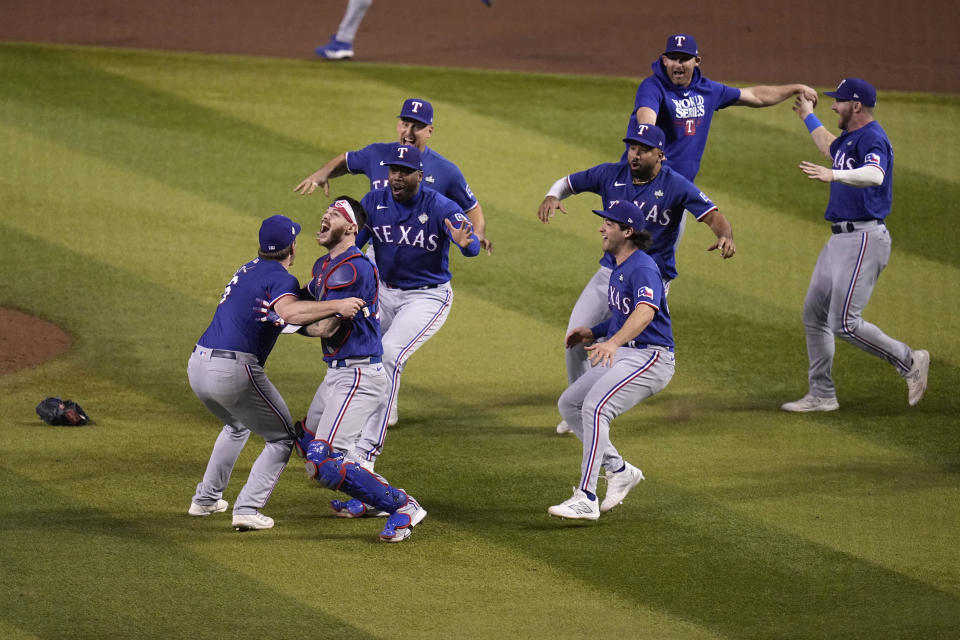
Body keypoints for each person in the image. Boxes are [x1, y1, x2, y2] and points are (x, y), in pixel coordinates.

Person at [538, 124, 734, 434]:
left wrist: (725, 235)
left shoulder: (676, 185)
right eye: (632, 147)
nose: (635, 153)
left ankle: (602, 407)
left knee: (629, 346)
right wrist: (552, 195)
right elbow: (567, 182)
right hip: (610, 273)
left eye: (642, 149)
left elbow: (712, 215)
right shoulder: (609, 174)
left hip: (650, 278)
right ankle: (579, 410)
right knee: (576, 338)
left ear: (660, 154)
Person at [261, 197, 427, 540]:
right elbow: (304, 299)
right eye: (326, 212)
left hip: (358, 376)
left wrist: (282, 322)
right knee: (307, 442)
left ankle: (403, 506)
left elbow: (325, 328)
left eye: (335, 215)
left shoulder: (353, 268)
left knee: (323, 462)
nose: (325, 216)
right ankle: (371, 498)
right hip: (338, 373)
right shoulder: (324, 265)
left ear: (351, 228)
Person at [187, 214, 365, 531]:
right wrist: (337, 306)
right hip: (233, 369)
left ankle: (205, 500)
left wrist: (315, 312)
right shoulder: (281, 280)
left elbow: (287, 320)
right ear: (292, 248)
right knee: (282, 438)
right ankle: (247, 508)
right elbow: (290, 311)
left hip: (198, 365)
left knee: (236, 425)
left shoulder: (248, 269)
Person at [782, 78, 929, 412]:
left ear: (857, 105)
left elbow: (875, 175)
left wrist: (833, 176)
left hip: (864, 237)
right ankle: (822, 394)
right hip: (840, 240)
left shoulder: (873, 138)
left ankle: (909, 362)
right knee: (814, 313)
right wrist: (807, 115)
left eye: (840, 101)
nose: (833, 105)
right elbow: (829, 147)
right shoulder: (852, 139)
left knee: (845, 323)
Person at [346, 143, 480, 470]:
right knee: (358, 353)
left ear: (420, 175)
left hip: (427, 296)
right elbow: (352, 248)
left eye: (405, 172)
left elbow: (471, 243)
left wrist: (468, 243)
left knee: (389, 354)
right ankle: (346, 430)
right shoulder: (373, 202)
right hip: (384, 290)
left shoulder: (440, 206)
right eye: (393, 171)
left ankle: (366, 453)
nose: (397, 177)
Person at [548, 202, 675, 521]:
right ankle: (619, 470)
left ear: (627, 231)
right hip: (629, 352)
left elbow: (646, 312)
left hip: (651, 357)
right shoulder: (621, 265)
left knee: (595, 407)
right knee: (570, 404)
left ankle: (586, 497)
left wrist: (614, 342)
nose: (602, 228)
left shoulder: (643, 267)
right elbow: (623, 315)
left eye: (609, 223)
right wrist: (594, 331)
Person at [294, 98, 491, 255]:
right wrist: (323, 173)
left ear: (429, 131)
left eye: (417, 126)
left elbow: (472, 207)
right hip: (379, 248)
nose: (409, 132)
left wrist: (476, 234)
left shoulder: (447, 170)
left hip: (421, 252)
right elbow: (347, 160)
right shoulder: (377, 154)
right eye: (405, 123)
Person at [628, 33, 819, 181]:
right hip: (644, 179)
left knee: (669, 234)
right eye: (673, 58)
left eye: (684, 58)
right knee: (631, 232)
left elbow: (755, 96)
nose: (678, 64)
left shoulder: (708, 90)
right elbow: (647, 118)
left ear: (696, 61)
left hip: (679, 185)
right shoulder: (652, 86)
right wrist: (650, 144)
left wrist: (795, 88)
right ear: (665, 60)